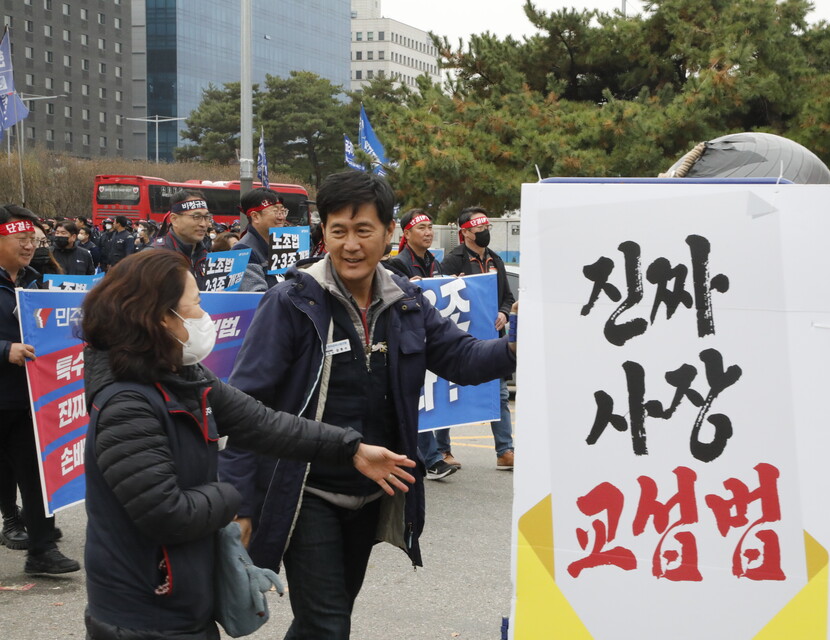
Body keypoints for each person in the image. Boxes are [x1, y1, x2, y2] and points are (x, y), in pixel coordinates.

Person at [218, 171, 517, 638]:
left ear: (389, 234)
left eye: (363, 231)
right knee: (327, 623)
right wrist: (239, 504)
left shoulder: (409, 302)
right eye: (338, 231)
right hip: (306, 491)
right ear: (324, 235)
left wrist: (516, 346)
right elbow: (244, 406)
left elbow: (462, 357)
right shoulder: (290, 303)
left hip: (372, 493)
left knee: (328, 619)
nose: (350, 245)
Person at [80, 249, 416, 640]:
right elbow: (166, 513)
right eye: (196, 305)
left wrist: (351, 448)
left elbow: (262, 423)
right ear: (160, 318)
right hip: (140, 613)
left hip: (180, 598)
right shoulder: (128, 404)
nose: (204, 318)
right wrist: (231, 495)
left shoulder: (183, 378)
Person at [0, 204, 80, 575]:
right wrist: (4, 350)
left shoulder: (35, 279)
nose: (30, 245)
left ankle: (42, 550)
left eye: (33, 238)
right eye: (21, 238)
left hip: (27, 398)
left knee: (37, 474)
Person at [442, 207, 516, 470]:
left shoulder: (496, 260)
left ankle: (505, 451)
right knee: (450, 394)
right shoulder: (453, 260)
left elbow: (507, 297)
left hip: (492, 339)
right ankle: (443, 451)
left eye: (486, 227)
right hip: (460, 339)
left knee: (499, 395)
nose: (484, 232)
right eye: (478, 228)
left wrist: (503, 313)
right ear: (465, 232)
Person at [385, 209, 457, 478]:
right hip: (409, 339)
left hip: (432, 337)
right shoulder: (397, 265)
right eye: (421, 228)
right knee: (419, 397)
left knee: (434, 396)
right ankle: (432, 459)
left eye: (430, 227)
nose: (428, 232)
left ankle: (438, 452)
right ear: (406, 233)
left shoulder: (434, 262)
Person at [149, 190, 211, 282]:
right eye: (196, 217)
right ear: (174, 219)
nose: (203, 224)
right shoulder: (153, 258)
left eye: (206, 217)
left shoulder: (207, 253)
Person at [236, 187, 288, 292]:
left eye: (283, 211)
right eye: (276, 211)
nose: (281, 217)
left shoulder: (283, 245)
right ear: (255, 217)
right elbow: (256, 296)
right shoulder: (243, 251)